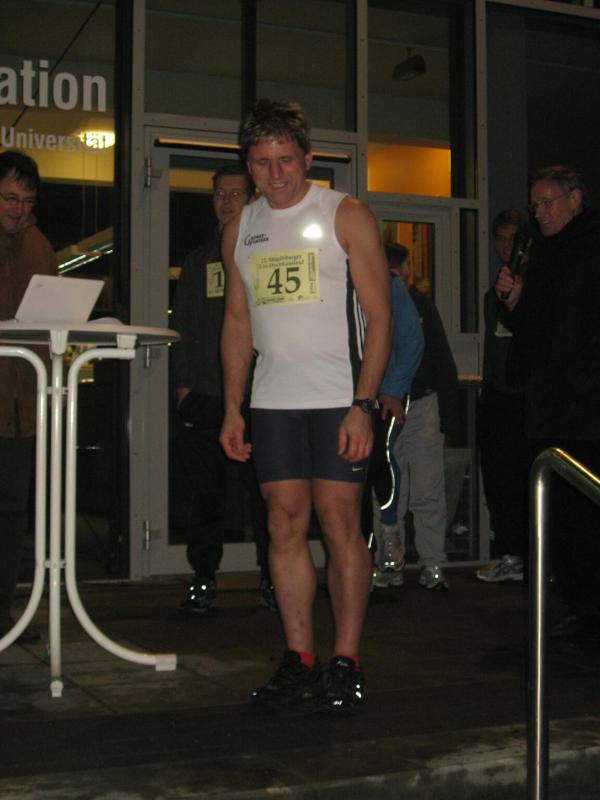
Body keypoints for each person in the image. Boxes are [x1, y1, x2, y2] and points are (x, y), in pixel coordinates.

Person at [219, 99, 392, 712]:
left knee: (340, 524)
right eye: (262, 162)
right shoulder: (240, 229)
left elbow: (380, 316)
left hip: (340, 398)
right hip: (274, 403)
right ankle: (300, 659)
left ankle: (345, 660)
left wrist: (364, 404)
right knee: (283, 525)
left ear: (308, 158)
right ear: (248, 164)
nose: (275, 174)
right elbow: (237, 322)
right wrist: (233, 407)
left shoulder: (346, 214)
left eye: (286, 160)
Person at [496, 165, 600, 641]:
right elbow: (535, 326)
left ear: (575, 198)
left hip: (586, 405)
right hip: (549, 404)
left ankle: (589, 605)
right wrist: (516, 300)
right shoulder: (543, 253)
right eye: (535, 205)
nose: (539, 213)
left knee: (585, 510)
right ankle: (580, 604)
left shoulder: (590, 246)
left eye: (547, 203)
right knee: (561, 515)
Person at [171, 163, 275, 615]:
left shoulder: (268, 252)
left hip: (259, 397)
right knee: (205, 496)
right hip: (206, 397)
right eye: (219, 194)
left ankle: (273, 579)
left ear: (252, 199)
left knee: (266, 497)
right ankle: (203, 577)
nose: (226, 202)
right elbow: (183, 326)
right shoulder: (199, 261)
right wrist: (183, 389)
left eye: (235, 193)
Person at [372, 243, 458, 592]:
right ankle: (399, 565)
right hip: (393, 406)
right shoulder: (383, 301)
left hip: (417, 404)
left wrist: (446, 414)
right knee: (398, 491)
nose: (406, 274)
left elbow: (438, 357)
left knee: (417, 488)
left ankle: (424, 563)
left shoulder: (419, 305)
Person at [0, 150, 57, 644]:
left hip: (21, 406)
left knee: (12, 517)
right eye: (9, 198)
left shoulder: (40, 247)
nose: (18, 209)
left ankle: (3, 616)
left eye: (26, 200)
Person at [476, 210, 531, 583]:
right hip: (496, 396)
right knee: (497, 479)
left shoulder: (536, 290)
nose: (505, 246)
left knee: (524, 479)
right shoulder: (492, 295)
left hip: (525, 398)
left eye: (513, 239)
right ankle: (510, 554)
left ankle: (532, 557)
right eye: (501, 239)